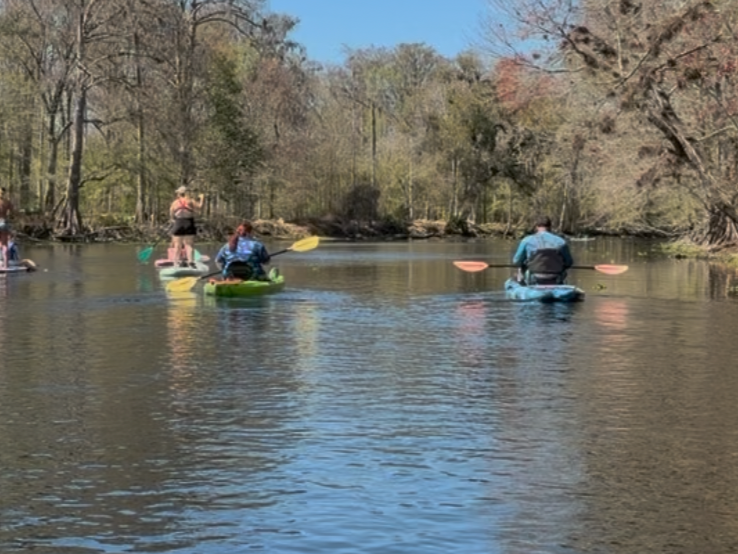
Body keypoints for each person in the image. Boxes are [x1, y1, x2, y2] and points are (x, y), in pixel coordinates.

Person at [512, 215, 573, 285]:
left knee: (520, 270)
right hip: (556, 278)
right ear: (550, 227)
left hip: (533, 278)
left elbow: (517, 261)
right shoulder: (561, 242)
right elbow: (569, 262)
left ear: (536, 227)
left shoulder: (526, 241)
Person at [169, 185, 204, 266]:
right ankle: (191, 261)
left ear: (179, 194)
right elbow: (200, 207)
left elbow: (171, 215)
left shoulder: (174, 203)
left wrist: (173, 220)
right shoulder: (190, 201)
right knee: (189, 244)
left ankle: (176, 262)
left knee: (177, 245)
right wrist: (202, 198)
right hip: (189, 223)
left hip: (178, 223)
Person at [0, 188, 14, 269]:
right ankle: (5, 265)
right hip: (3, 223)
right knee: (4, 244)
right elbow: (14, 212)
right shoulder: (6, 202)